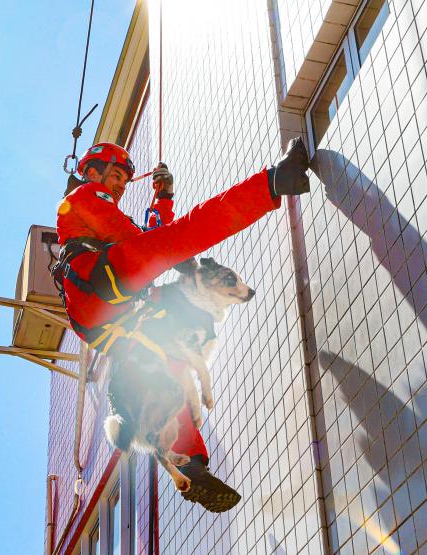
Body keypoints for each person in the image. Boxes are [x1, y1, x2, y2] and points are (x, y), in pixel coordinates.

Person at [54, 139, 311, 512]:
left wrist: (163, 198)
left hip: (110, 318)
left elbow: (145, 239)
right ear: (91, 173)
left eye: (124, 182)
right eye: (114, 176)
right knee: (181, 239)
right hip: (96, 286)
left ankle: (190, 462)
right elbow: (142, 239)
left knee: (171, 372)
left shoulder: (95, 207)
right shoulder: (84, 195)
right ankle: (273, 183)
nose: (118, 186)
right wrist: (168, 232)